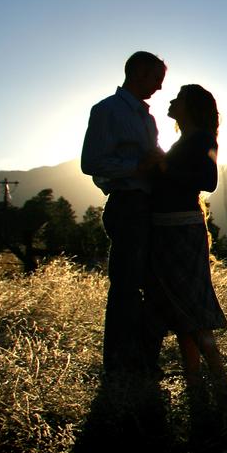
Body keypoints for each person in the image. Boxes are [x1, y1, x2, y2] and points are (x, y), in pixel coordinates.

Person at [81, 51, 169, 378]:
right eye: (155, 80)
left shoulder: (147, 118)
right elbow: (91, 163)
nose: (159, 88)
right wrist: (138, 166)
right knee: (127, 287)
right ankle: (118, 366)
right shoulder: (108, 111)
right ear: (138, 73)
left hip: (149, 206)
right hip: (128, 203)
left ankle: (142, 360)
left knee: (152, 285)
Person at [147, 84, 227, 390]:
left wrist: (164, 167)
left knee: (191, 307)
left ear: (191, 106)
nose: (172, 101)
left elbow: (208, 181)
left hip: (180, 229)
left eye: (178, 98)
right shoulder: (187, 139)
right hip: (172, 228)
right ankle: (194, 380)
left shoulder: (203, 139)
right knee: (183, 308)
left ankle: (219, 380)